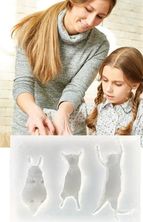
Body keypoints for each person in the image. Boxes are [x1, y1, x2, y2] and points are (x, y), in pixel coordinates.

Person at [11, 0, 116, 135]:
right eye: (88, 9)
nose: (90, 21)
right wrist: (33, 110)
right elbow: (22, 82)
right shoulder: (31, 28)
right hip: (30, 123)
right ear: (72, 2)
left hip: (68, 124)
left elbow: (77, 87)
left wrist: (63, 113)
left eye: (100, 16)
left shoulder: (99, 44)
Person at [45, 47, 143, 147]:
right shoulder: (94, 108)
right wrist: (42, 117)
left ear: (134, 84)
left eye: (118, 84)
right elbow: (61, 117)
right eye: (105, 80)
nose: (108, 88)